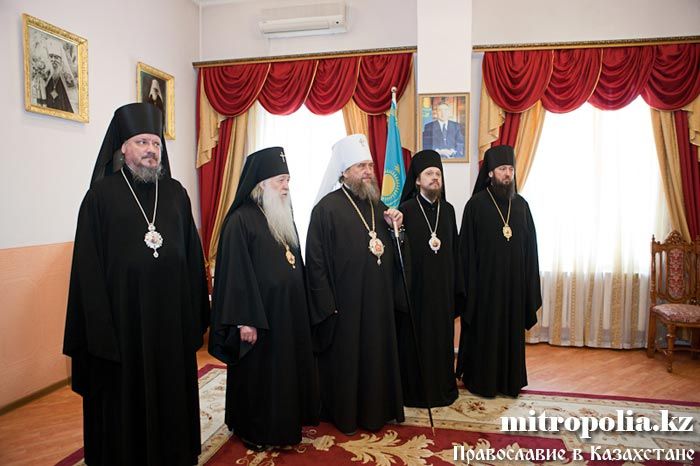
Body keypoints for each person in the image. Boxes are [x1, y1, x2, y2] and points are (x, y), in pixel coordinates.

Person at [63, 103, 210, 466]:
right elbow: (88, 271)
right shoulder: (100, 197)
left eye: (156, 143)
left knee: (171, 391)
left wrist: (194, 312)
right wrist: (100, 330)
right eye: (142, 142)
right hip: (123, 325)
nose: (150, 150)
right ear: (123, 148)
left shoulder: (175, 193)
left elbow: (192, 257)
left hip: (170, 322)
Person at [209, 146, 319, 451]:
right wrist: (244, 319)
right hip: (259, 318)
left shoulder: (282, 216)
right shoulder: (239, 221)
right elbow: (234, 275)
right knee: (260, 376)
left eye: (288, 180)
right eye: (280, 180)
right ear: (261, 184)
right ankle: (253, 429)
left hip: (287, 313)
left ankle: (286, 424)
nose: (286, 187)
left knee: (285, 373)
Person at [306, 134, 406, 435]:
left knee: (376, 358)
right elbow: (316, 264)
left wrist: (398, 231)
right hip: (344, 308)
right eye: (361, 166)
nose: (368, 171)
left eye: (370, 166)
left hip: (378, 304)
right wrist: (327, 307)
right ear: (344, 171)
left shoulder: (379, 205)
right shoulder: (325, 209)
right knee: (348, 362)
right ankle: (347, 414)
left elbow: (393, 252)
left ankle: (379, 410)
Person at [456, 144, 542, 398]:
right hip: (485, 288)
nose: (507, 174)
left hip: (514, 288)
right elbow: (465, 252)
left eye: (510, 169)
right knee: (486, 333)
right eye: (502, 169)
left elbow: (531, 249)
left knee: (511, 334)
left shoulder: (522, 206)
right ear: (491, 173)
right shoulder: (475, 205)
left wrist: (529, 284)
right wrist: (469, 290)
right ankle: (481, 381)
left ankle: (509, 381)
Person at [397, 149, 465, 408]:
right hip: (417, 292)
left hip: (443, 292)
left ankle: (443, 390)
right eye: (429, 174)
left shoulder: (448, 210)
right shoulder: (405, 210)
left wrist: (456, 288)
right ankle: (415, 393)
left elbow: (455, 251)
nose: (435, 178)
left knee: (441, 341)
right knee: (417, 342)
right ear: (417, 180)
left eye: (438, 174)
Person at [44, 40, 75, 113]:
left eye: (56, 57)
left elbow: (71, 98)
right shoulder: (48, 74)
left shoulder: (66, 76)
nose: (53, 60)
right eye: (51, 56)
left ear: (61, 60)